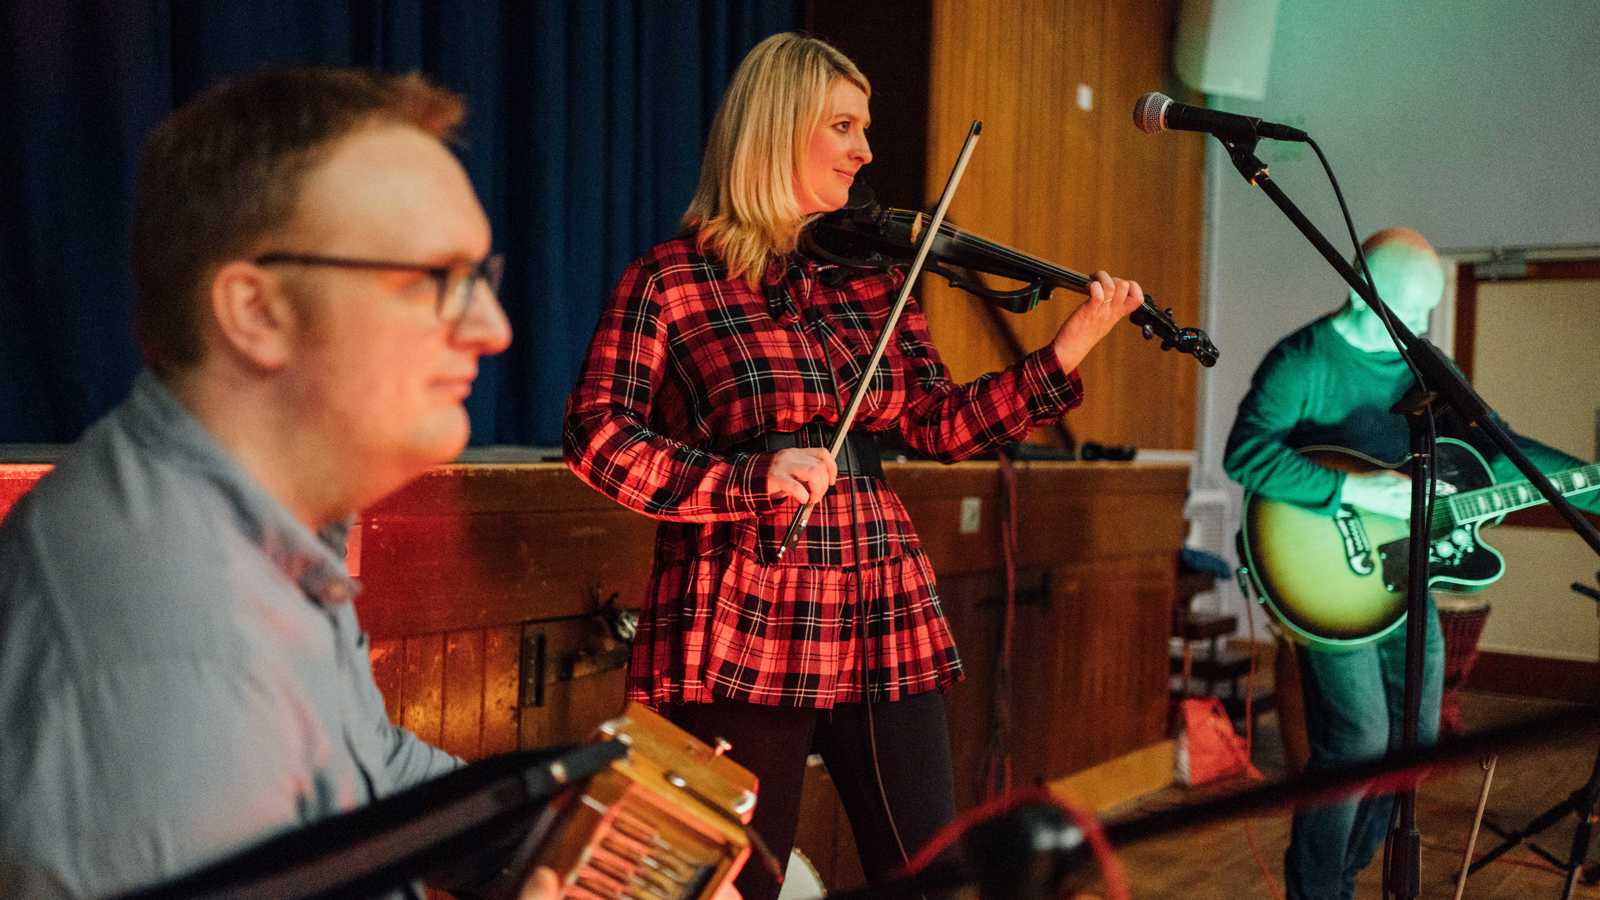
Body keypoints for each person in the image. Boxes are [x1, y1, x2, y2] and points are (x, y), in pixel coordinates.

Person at [563, 32, 1144, 900]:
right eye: (843, 126)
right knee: (736, 883)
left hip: (879, 598)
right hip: (739, 611)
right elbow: (596, 438)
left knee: (931, 875)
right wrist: (744, 482)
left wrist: (1060, 357)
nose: (867, 152)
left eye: (864, 128)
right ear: (776, 129)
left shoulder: (871, 282)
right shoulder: (672, 281)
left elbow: (938, 425)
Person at [0, 67, 566, 899]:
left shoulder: (256, 527)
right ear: (256, 312)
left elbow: (372, 772)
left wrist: (569, 838)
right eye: (435, 279)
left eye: (484, 278)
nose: (492, 329)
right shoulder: (174, 655)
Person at [1223, 227, 1600, 899]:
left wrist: (1591, 484)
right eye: (1411, 307)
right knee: (1360, 742)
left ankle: (1340, 875)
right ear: (1360, 291)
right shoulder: (1303, 361)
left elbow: (1504, 445)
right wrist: (1358, 488)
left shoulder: (1424, 366)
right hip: (1324, 581)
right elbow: (1245, 455)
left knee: (1417, 744)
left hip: (1407, 575)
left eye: (1430, 309)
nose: (1423, 324)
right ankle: (1316, 890)